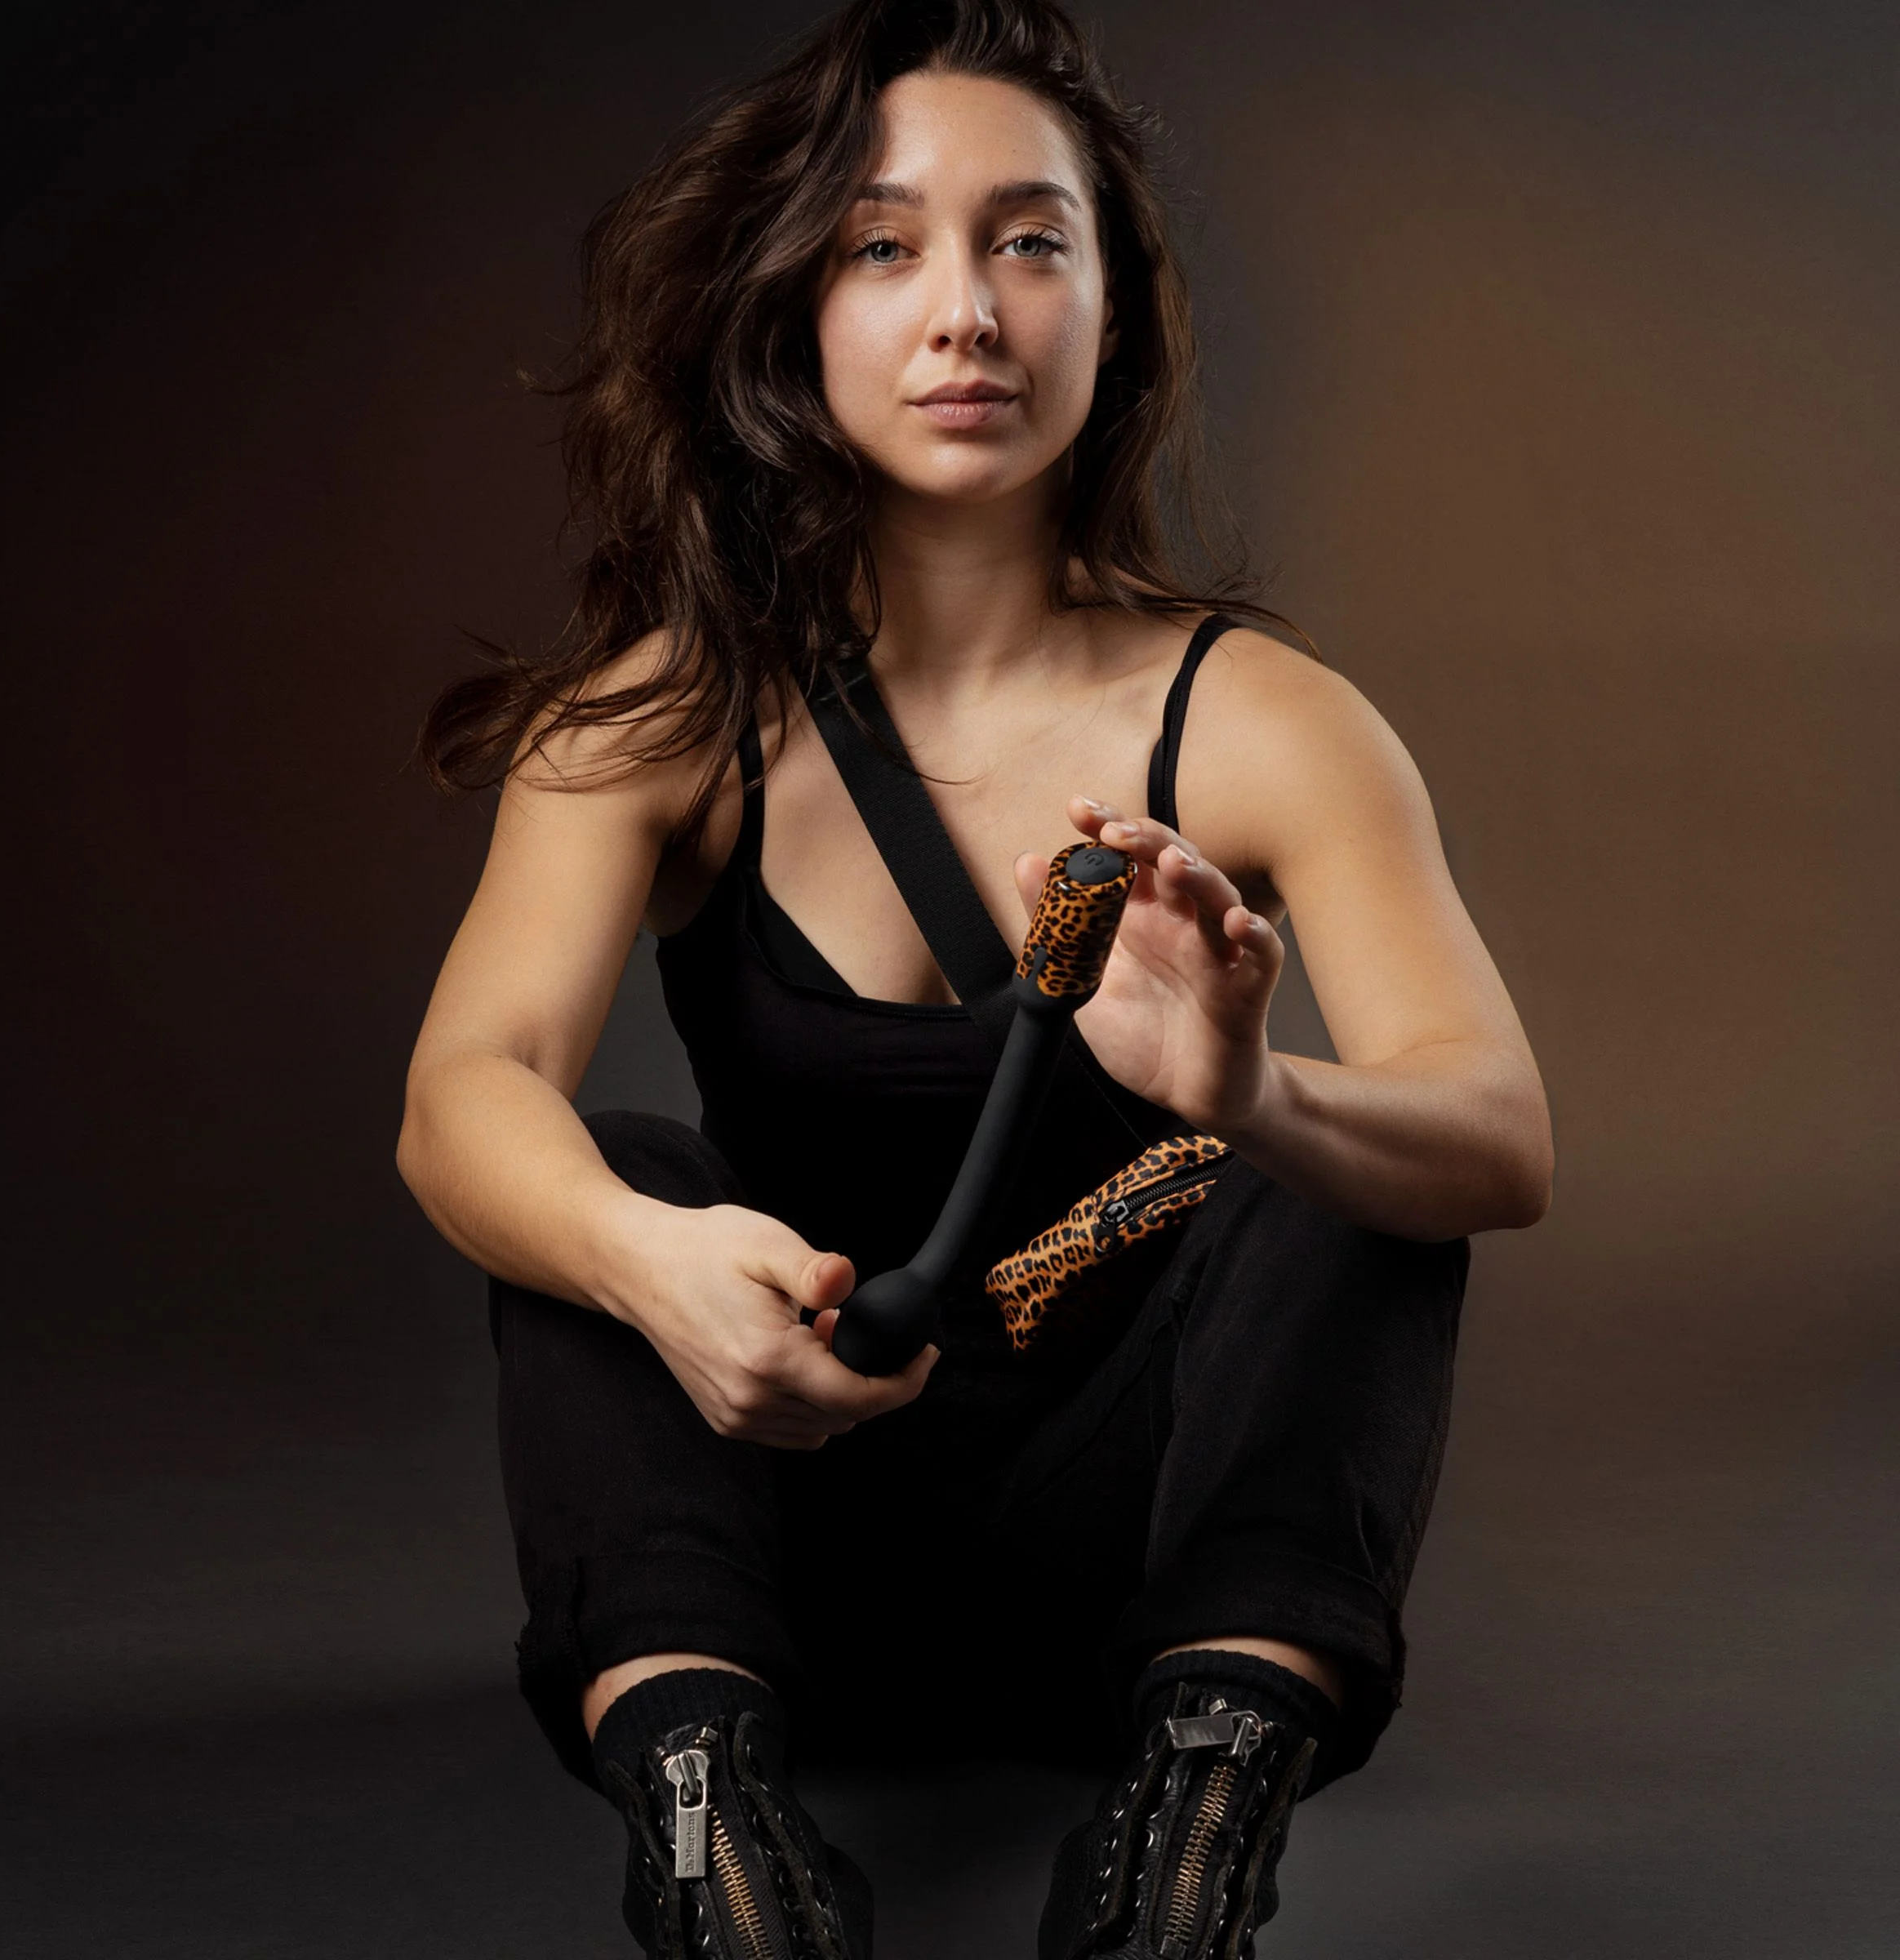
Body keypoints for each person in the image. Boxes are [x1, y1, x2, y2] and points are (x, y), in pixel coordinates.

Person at [398, 2, 1553, 1953]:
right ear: (791, 310)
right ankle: (712, 1836)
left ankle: (1191, 1838)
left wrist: (1256, 1096)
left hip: (1149, 1586)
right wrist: (651, 1268)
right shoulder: (658, 720)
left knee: (1345, 1176)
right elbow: (458, 1096)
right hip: (772, 1537)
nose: (967, 313)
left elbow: (1499, 1136)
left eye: (1031, 240)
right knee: (606, 1173)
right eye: (883, 245)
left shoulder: (1270, 720)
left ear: (1116, 312)